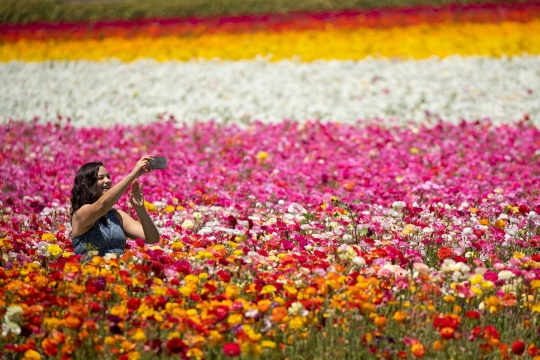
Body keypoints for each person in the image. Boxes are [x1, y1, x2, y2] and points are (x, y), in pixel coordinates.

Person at [70, 156, 160, 259]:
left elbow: (152, 238)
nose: (108, 181)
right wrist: (133, 175)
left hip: (117, 272)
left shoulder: (116, 215)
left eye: (108, 177)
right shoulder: (80, 213)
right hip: (91, 272)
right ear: (87, 184)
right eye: (101, 178)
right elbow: (101, 206)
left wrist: (140, 209)